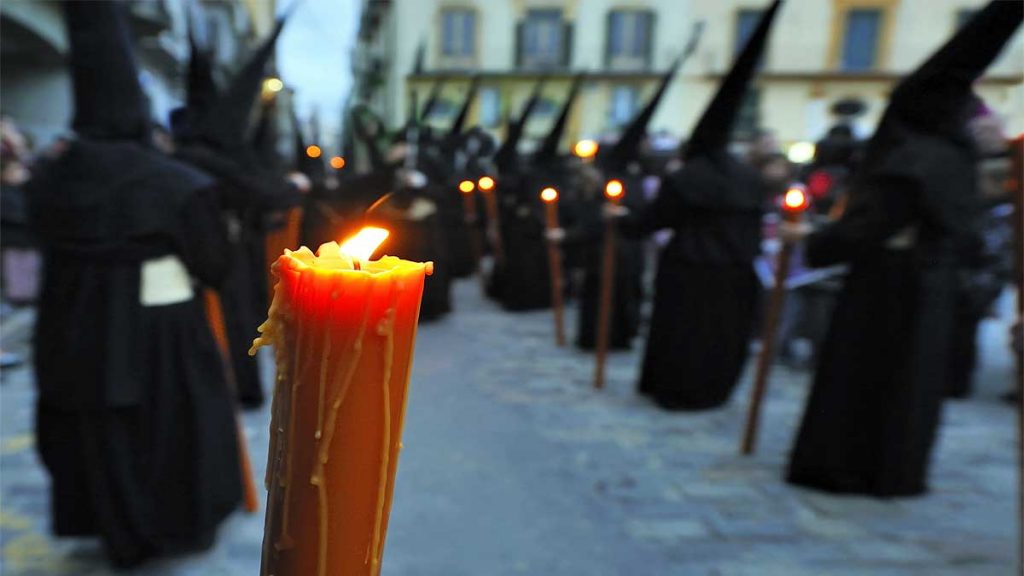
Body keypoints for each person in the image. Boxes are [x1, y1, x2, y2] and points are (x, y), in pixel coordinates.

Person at [28, 4, 242, 567]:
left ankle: (114, 530)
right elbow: (214, 265)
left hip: (72, 330)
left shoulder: (50, 177)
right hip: (160, 333)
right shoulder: (178, 183)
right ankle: (170, 529)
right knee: (169, 432)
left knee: (101, 437)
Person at [785, 0, 1023, 497]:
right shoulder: (954, 159)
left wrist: (812, 243)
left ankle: (853, 467)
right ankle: (895, 468)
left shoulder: (912, 159)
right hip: (930, 286)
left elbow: (867, 229)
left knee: (870, 382)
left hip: (887, 288)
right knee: (910, 386)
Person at [617, 0, 783, 410]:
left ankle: (678, 389)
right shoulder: (748, 175)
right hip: (736, 272)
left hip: (690, 270)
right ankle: (713, 389)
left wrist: (622, 222)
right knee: (720, 334)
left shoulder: (689, 176)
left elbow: (655, 220)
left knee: (685, 333)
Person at [173, 12, 301, 408]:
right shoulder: (214, 161)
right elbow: (271, 193)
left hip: (208, 260)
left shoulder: (183, 156)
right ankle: (233, 390)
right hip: (218, 260)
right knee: (228, 323)